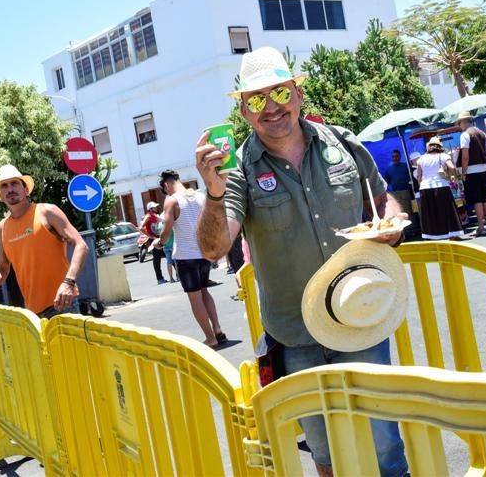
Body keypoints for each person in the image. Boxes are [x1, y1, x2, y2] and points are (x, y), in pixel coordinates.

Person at [194, 47, 408, 476]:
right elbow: (214, 249)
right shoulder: (237, 173)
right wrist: (213, 193)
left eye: (279, 93)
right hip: (296, 334)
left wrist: (393, 220)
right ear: (243, 109)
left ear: (298, 93)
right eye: (256, 99)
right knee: (325, 453)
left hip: (362, 315)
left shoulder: (344, 143)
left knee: (384, 442)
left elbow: (384, 199)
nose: (271, 107)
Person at [0, 164, 88, 318]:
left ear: (26, 190)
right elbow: (2, 268)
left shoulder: (47, 212)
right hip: (32, 313)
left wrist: (68, 283)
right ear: (0, 194)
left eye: (15, 183)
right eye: (4, 186)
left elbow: (81, 245)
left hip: (63, 305)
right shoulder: (2, 227)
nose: (10, 189)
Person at [154, 169, 227, 348]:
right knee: (204, 291)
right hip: (204, 254)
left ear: (166, 185)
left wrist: (160, 243)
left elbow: (167, 229)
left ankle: (211, 338)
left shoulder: (172, 200)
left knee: (195, 298)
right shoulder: (200, 196)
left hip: (186, 257)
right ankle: (218, 329)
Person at [416, 137, 466, 240]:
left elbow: (419, 176)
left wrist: (422, 184)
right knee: (448, 211)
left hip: (425, 188)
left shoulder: (421, 158)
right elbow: (452, 168)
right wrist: (455, 177)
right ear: (439, 146)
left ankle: (434, 236)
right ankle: (453, 236)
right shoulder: (443, 156)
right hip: (441, 186)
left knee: (431, 213)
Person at [457, 112, 486, 236]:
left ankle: (481, 227)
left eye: (459, 123)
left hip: (471, 170)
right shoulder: (482, 133)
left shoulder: (465, 135)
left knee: (476, 200)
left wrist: (463, 172)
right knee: (484, 198)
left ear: (463, 122)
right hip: (483, 168)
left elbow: (465, 156)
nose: (459, 125)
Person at [140, 201, 167, 285]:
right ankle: (160, 279)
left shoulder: (154, 215)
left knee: (167, 254)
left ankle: (176, 274)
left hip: (158, 238)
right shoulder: (148, 216)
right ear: (150, 209)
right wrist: (150, 236)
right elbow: (141, 228)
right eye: (154, 207)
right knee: (158, 258)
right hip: (153, 240)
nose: (156, 207)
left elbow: (163, 221)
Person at [382, 149, 414, 217]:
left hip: (409, 193)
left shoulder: (406, 166)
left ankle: (415, 224)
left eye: (396, 156)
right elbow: (386, 182)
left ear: (400, 157)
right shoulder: (389, 169)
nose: (394, 158)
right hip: (397, 194)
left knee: (412, 210)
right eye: (393, 157)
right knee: (401, 210)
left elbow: (413, 177)